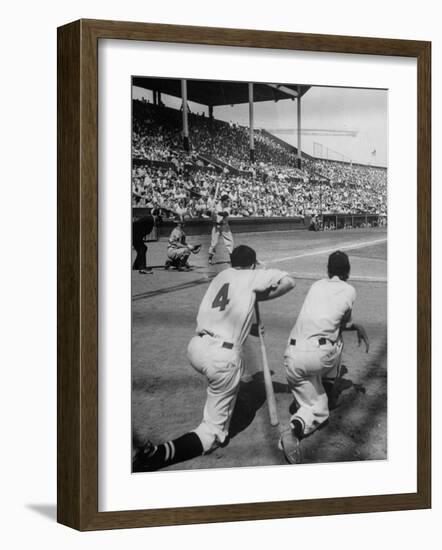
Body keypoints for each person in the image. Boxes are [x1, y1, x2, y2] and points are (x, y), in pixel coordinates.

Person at [133, 245, 295, 471]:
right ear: (251, 263)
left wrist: (250, 311)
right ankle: (158, 454)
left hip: (197, 348)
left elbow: (227, 308)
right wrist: (261, 290)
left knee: (224, 371)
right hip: (222, 357)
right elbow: (289, 281)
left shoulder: (221, 276)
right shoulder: (253, 274)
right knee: (213, 433)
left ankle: (220, 387)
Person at [281, 250, 369, 463]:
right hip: (319, 357)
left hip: (291, 357)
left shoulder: (316, 286)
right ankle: (293, 430)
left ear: (327, 270)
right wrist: (356, 325)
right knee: (319, 410)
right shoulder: (349, 290)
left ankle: (320, 390)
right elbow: (340, 325)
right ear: (348, 271)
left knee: (310, 388)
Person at [208, 194, 234, 265]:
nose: (228, 202)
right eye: (227, 201)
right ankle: (210, 258)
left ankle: (232, 259)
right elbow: (209, 213)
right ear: (223, 201)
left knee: (230, 242)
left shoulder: (228, 207)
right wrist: (210, 210)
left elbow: (224, 214)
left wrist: (217, 212)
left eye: (228, 201)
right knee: (214, 243)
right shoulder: (216, 205)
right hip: (216, 226)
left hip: (225, 227)